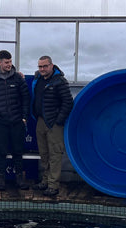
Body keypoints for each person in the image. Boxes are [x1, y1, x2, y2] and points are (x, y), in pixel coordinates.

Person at [31, 55, 74, 197]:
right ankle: (45, 181)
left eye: (45, 66)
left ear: (51, 65)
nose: (42, 69)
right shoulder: (38, 80)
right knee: (44, 154)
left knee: (55, 154)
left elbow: (68, 102)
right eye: (40, 66)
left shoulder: (60, 81)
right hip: (41, 121)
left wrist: (59, 121)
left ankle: (53, 185)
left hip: (54, 124)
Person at [0, 50, 30, 191]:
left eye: (10, 62)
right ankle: (1, 179)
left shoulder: (18, 78)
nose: (9, 64)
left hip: (17, 121)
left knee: (18, 150)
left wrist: (24, 117)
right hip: (1, 121)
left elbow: (26, 98)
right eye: (6, 62)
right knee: (1, 150)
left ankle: (19, 178)